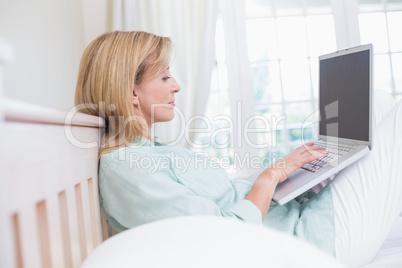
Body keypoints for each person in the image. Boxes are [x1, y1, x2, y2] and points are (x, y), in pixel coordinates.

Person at [75, 31, 402, 267]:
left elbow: (226, 204)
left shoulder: (149, 151)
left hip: (297, 218)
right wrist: (270, 177)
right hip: (314, 241)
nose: (175, 85)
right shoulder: (128, 168)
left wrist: (294, 181)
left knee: (379, 100)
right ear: (133, 92)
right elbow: (223, 237)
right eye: (164, 76)